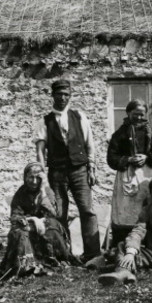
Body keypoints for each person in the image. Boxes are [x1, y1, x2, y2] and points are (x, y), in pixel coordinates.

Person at [34, 79, 100, 262]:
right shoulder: (44, 121)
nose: (62, 98)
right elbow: (40, 152)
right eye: (59, 94)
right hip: (57, 173)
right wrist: (43, 179)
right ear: (53, 95)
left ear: (70, 96)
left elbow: (90, 145)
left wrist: (92, 168)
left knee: (87, 211)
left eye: (66, 95)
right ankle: (65, 255)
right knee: (59, 213)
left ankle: (93, 255)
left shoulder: (79, 116)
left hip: (80, 170)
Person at [0, 162, 77, 279]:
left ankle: (54, 261)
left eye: (38, 178)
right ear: (25, 177)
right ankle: (26, 265)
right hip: (27, 225)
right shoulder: (20, 193)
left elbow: (53, 214)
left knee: (53, 228)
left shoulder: (48, 191)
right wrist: (31, 220)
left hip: (46, 224)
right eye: (31, 177)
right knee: (19, 232)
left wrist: (43, 193)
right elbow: (15, 216)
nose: (34, 181)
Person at [106, 99, 152, 244]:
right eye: (135, 114)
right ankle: (123, 245)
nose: (139, 118)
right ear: (128, 113)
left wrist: (147, 157)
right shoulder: (120, 134)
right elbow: (111, 158)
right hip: (127, 176)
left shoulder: (150, 132)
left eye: (141, 114)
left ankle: (149, 243)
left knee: (147, 206)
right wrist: (128, 160)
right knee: (125, 210)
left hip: (147, 175)